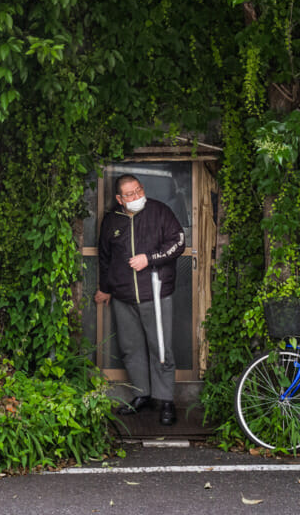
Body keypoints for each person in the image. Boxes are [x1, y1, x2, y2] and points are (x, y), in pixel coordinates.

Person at [94, 173, 183, 426]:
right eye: (130, 194)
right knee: (131, 349)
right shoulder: (112, 220)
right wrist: (105, 288)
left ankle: (166, 400)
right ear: (120, 199)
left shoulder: (159, 211)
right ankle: (142, 394)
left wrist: (149, 259)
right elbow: (104, 256)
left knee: (161, 348)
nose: (136, 197)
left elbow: (178, 242)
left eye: (139, 191)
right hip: (123, 296)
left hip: (154, 293)